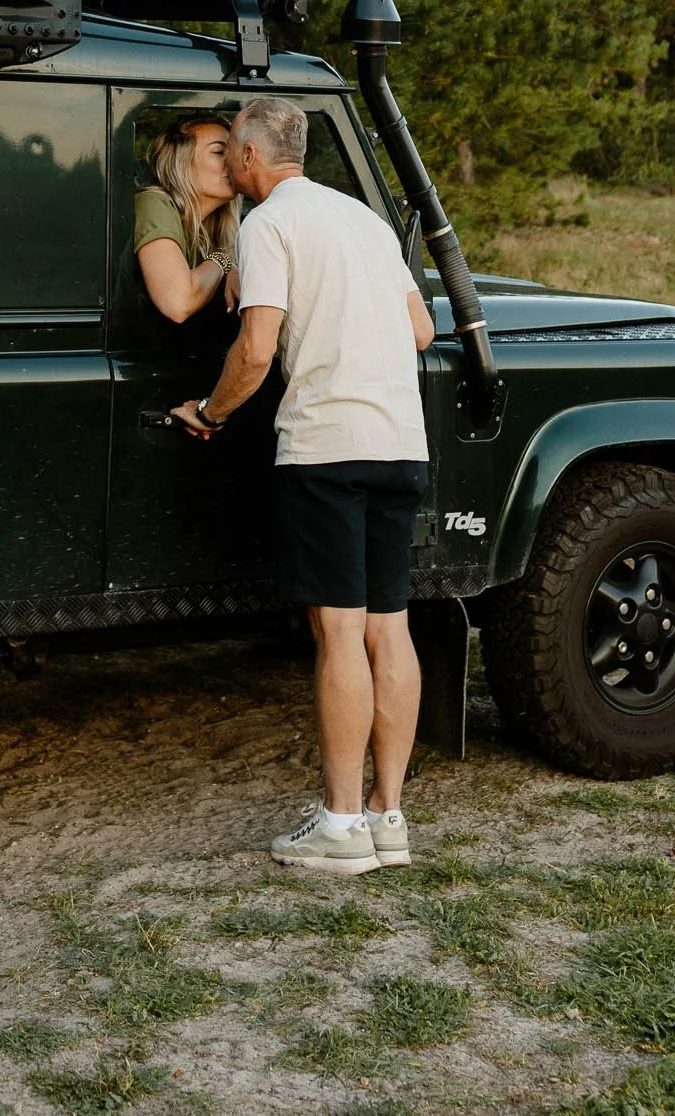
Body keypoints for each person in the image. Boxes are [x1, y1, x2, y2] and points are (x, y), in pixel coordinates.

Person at [171, 96, 436, 875]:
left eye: (232, 154)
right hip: (399, 445)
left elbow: (254, 350)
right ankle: (389, 819)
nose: (230, 165)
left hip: (326, 451)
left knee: (339, 633)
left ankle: (340, 826)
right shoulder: (364, 221)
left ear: (252, 155)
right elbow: (419, 330)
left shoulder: (267, 225)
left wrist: (209, 413)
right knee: (390, 629)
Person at [131, 114, 240, 325]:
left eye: (234, 152)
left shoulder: (211, 226)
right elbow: (178, 303)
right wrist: (224, 259)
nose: (233, 161)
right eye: (219, 152)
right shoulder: (153, 202)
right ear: (180, 162)